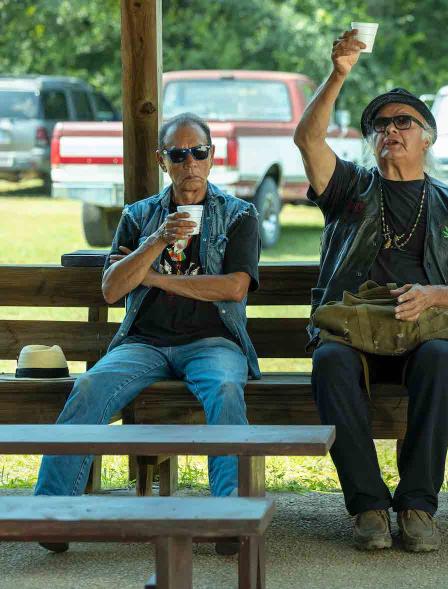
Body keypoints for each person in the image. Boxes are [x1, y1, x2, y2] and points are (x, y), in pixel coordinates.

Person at [294, 29, 448, 553]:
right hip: (356, 332)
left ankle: (418, 505)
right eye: (379, 124)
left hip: (424, 330)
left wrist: (432, 296)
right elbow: (308, 141)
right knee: (330, 363)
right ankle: (368, 507)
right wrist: (338, 73)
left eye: (404, 121)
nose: (390, 130)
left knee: (442, 359)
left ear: (428, 137)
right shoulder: (348, 189)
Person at [35, 112, 261, 555]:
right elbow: (112, 288)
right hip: (145, 343)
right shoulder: (139, 217)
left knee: (227, 390)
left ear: (212, 157)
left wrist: (154, 279)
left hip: (213, 341)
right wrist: (156, 240)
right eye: (179, 155)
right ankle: (51, 514)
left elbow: (234, 287)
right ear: (163, 161)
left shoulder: (239, 215)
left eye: (198, 152)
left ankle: (229, 516)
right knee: (88, 386)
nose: (189, 163)